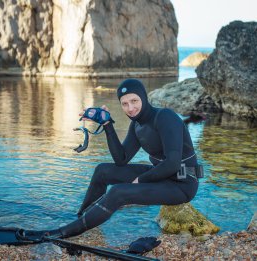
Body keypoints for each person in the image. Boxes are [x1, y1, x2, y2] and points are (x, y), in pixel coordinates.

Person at [19, 78, 201, 240]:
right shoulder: (136, 125)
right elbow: (121, 159)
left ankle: (64, 232)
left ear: (144, 98)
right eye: (124, 104)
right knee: (102, 171)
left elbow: (173, 162)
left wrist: (141, 180)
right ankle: (82, 217)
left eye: (134, 101)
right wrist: (107, 124)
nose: (130, 108)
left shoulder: (165, 117)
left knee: (118, 192)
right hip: (162, 177)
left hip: (182, 184)